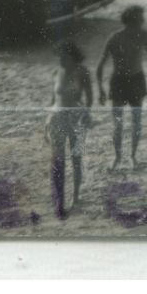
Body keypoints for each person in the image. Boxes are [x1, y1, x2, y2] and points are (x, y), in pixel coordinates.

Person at [97, 6, 147, 170]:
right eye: (140, 19)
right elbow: (100, 65)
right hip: (119, 82)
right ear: (132, 21)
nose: (143, 22)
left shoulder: (143, 35)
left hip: (137, 81)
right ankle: (117, 157)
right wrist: (100, 89)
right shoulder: (115, 38)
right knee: (118, 124)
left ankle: (133, 157)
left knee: (136, 122)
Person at [47, 40, 93, 213]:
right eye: (59, 57)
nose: (60, 61)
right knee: (57, 161)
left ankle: (76, 196)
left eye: (63, 57)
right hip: (57, 118)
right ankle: (59, 202)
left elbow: (89, 98)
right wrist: (47, 121)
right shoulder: (56, 72)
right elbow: (52, 101)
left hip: (76, 119)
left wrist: (87, 114)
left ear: (72, 57)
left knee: (76, 158)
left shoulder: (83, 72)